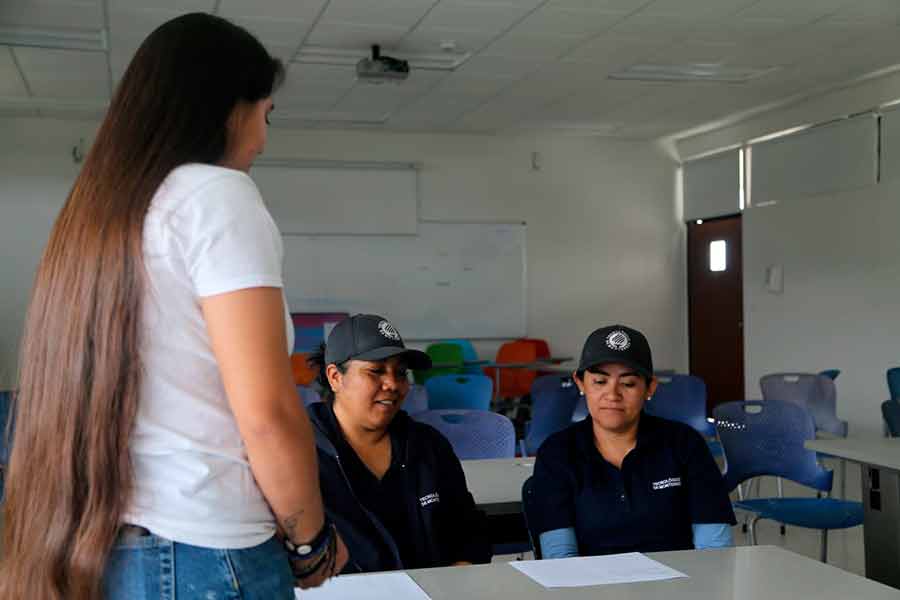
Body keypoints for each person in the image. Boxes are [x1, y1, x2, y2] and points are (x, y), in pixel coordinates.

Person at [0, 13, 346, 600]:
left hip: (96, 546)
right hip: (206, 551)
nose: (262, 140)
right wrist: (311, 542)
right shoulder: (215, 195)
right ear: (229, 107)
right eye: (266, 114)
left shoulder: (99, 214)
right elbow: (265, 412)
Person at [306, 314, 493, 573]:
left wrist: (459, 573)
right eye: (376, 371)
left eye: (401, 372)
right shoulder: (298, 454)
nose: (393, 384)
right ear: (336, 377)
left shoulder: (428, 446)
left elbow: (469, 528)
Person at [530, 325, 735, 559]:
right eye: (599, 381)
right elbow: (561, 560)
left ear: (650, 388)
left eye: (628, 384)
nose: (612, 394)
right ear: (580, 383)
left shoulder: (685, 444)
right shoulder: (557, 453)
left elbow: (714, 553)